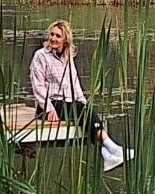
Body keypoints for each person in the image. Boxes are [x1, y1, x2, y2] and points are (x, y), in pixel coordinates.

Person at [29, 19, 131, 171]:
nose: (53, 38)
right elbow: (38, 87)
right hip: (49, 108)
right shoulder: (40, 56)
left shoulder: (67, 58)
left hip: (69, 105)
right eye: (51, 34)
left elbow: (74, 84)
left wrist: (84, 103)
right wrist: (49, 109)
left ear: (65, 40)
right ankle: (112, 149)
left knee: (85, 111)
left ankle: (108, 154)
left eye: (58, 36)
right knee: (83, 112)